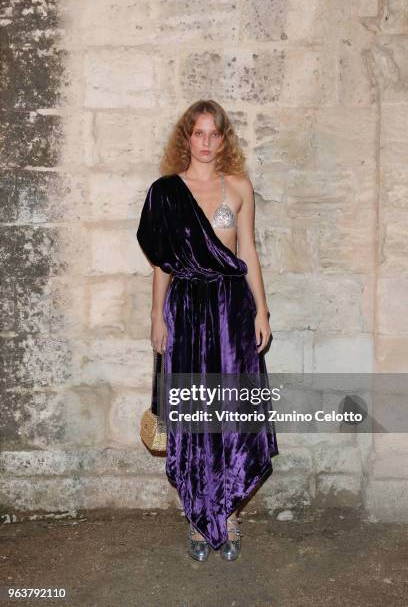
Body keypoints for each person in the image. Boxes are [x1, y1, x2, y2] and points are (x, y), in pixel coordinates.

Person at [137, 99, 279, 562]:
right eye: (197, 133)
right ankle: (199, 522)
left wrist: (262, 311)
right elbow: (162, 262)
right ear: (186, 137)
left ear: (224, 139)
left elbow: (249, 252)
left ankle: (229, 515)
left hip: (230, 309)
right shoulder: (165, 191)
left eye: (213, 134)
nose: (205, 142)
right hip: (186, 309)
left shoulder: (237, 186)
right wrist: (157, 315)